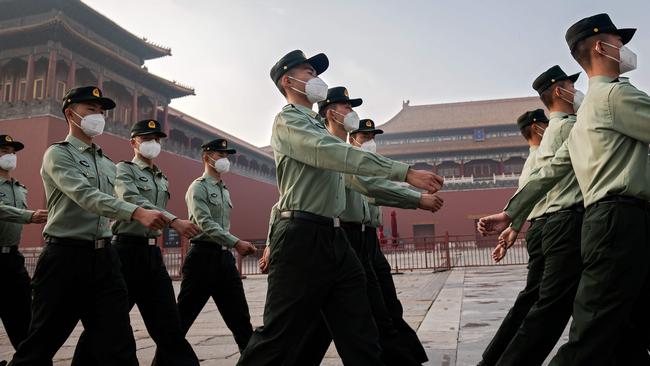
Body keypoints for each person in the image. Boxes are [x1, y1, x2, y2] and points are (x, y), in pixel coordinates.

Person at [237, 50, 443, 365]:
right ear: (286, 80)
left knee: (360, 331)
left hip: (335, 239)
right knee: (278, 337)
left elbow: (361, 182)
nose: (316, 79)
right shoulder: (289, 121)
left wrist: (411, 196)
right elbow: (335, 155)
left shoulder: (318, 129)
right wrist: (405, 173)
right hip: (301, 238)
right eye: (308, 72)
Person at [9, 86, 171, 366]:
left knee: (118, 342)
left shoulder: (108, 164)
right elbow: (86, 196)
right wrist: (136, 212)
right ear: (70, 113)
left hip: (105, 258)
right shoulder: (58, 155)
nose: (98, 115)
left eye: (101, 111)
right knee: (40, 346)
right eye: (90, 109)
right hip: (65, 259)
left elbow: (109, 201)